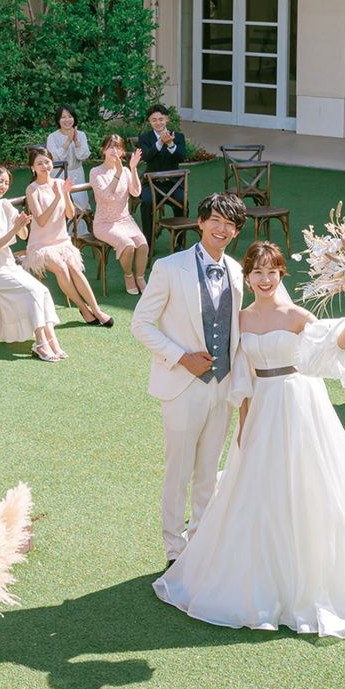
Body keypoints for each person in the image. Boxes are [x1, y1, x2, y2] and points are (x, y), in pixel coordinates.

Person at [153, 241, 345, 637]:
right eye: (257, 272)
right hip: (262, 407)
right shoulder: (242, 319)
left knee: (309, 480)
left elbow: (336, 345)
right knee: (259, 487)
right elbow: (243, 377)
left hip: (298, 402)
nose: (265, 279)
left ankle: (313, 570)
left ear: (281, 274)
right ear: (248, 278)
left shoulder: (296, 315)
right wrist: (244, 424)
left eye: (272, 272)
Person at [130, 193, 248, 567]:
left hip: (222, 385)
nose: (221, 229)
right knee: (178, 472)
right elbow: (140, 324)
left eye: (229, 224)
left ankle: (200, 541)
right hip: (182, 386)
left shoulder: (237, 271)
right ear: (200, 222)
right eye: (215, 220)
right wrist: (182, 357)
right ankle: (174, 549)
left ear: (236, 231)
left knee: (208, 472)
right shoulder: (169, 268)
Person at [0, 166, 65, 362]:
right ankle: (40, 343)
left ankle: (51, 339)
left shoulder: (5, 205)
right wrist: (14, 229)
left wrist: (21, 225)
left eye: (6, 183)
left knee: (43, 290)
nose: (3, 186)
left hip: (8, 263)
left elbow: (23, 235)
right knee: (33, 291)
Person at [23, 147, 114, 328]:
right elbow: (41, 221)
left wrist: (64, 194)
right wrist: (57, 197)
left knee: (74, 268)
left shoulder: (59, 183)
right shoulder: (32, 189)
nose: (44, 166)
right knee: (62, 269)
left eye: (47, 162)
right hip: (41, 245)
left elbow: (70, 214)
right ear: (32, 167)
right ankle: (84, 309)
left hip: (62, 240)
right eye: (39, 163)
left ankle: (96, 310)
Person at [90, 135, 151, 295]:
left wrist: (133, 169)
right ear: (103, 150)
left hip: (125, 220)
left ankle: (140, 277)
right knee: (128, 245)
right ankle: (128, 275)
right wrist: (117, 173)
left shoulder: (125, 171)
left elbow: (136, 192)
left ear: (123, 151)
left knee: (143, 244)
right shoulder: (95, 172)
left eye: (118, 147)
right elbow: (107, 197)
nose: (114, 150)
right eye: (110, 147)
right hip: (105, 223)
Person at [137, 104, 188, 241]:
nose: (158, 123)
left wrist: (171, 144)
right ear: (149, 121)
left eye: (161, 119)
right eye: (154, 120)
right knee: (146, 202)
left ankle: (179, 241)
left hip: (173, 183)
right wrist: (159, 142)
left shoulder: (178, 136)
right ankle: (148, 241)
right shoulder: (144, 138)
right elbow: (146, 157)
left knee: (183, 202)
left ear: (167, 119)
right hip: (151, 183)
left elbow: (182, 157)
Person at [45, 105, 92, 219]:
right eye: (63, 117)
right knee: (62, 207)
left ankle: (81, 229)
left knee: (80, 208)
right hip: (59, 176)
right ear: (58, 120)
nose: (67, 120)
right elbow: (54, 159)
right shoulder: (52, 137)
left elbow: (83, 156)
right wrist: (68, 141)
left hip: (77, 175)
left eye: (70, 116)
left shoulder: (81, 135)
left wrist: (76, 142)